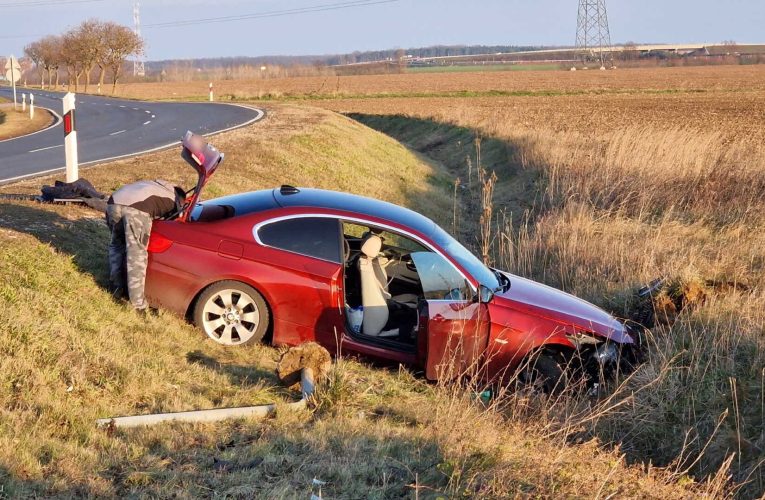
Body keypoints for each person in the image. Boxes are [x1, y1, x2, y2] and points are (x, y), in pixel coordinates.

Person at [106, 179, 182, 312]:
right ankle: (138, 305)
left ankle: (115, 287)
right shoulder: (173, 200)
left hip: (113, 202)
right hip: (136, 210)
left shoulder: (155, 185)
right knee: (136, 255)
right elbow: (172, 222)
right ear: (181, 199)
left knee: (117, 246)